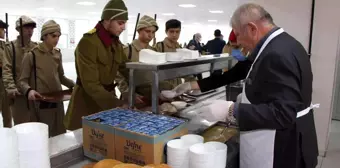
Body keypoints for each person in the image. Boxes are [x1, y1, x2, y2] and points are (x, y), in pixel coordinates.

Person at [162, 3, 318, 168]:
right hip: (285, 140)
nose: (239, 43)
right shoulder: (280, 44)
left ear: (252, 28)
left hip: (283, 148)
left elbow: (283, 113)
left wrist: (232, 110)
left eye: (238, 35)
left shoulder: (276, 54)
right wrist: (193, 85)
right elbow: (236, 73)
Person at [64, 0, 130, 130]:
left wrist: (150, 90)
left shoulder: (115, 43)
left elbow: (127, 70)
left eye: (124, 23)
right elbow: (91, 85)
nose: (124, 27)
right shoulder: (88, 42)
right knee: (85, 145)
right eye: (120, 23)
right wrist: (117, 104)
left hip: (108, 101)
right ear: (107, 20)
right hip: (86, 104)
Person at [19, 20, 75, 137]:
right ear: (44, 36)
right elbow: (22, 81)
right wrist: (29, 90)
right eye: (53, 36)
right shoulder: (32, 55)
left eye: (58, 36)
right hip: (41, 103)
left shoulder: (57, 54)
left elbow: (61, 77)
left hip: (58, 101)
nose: (57, 39)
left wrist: (74, 85)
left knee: (60, 133)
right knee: (44, 136)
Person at [115, 15, 173, 103]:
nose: (151, 35)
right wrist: (127, 92)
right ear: (139, 30)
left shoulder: (154, 51)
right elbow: (118, 75)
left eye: (153, 32)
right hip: (134, 98)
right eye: (147, 31)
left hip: (153, 97)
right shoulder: (128, 50)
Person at [2, 16, 38, 125]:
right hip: (18, 95)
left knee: (35, 124)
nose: (30, 31)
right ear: (19, 29)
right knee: (21, 126)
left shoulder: (36, 47)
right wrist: (11, 87)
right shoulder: (10, 47)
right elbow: (6, 69)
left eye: (32, 28)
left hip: (33, 92)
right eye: (26, 28)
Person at [154, 19, 195, 87]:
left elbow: (184, 69)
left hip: (177, 85)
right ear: (166, 32)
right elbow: (155, 70)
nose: (174, 35)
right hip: (163, 85)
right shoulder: (160, 46)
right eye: (171, 31)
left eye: (177, 32)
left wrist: (193, 82)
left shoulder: (179, 48)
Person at [0, 19, 12, 128]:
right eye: (2, 29)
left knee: (7, 112)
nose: (4, 31)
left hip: (4, 82)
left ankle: (8, 134)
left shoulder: (4, 45)